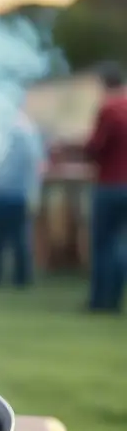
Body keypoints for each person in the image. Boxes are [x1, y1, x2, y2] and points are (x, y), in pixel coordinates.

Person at [0, 111, 47, 287]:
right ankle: (19, 276)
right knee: (15, 237)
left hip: (10, 191)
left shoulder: (13, 133)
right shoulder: (28, 133)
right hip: (15, 192)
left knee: (3, 237)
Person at [84, 61, 127, 312]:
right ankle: (116, 299)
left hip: (110, 183)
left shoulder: (109, 109)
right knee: (121, 244)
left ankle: (100, 301)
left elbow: (95, 147)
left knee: (102, 245)